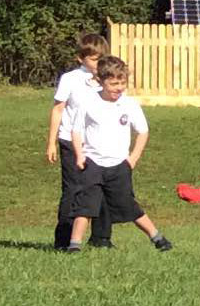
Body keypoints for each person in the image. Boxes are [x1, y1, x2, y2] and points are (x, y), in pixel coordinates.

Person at [66, 56, 171, 253]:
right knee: (85, 206)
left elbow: (143, 132)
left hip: (119, 166)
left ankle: (157, 238)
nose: (119, 88)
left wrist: (133, 159)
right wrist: (80, 155)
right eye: (114, 83)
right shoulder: (88, 102)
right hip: (92, 164)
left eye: (122, 83)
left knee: (128, 205)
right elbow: (76, 130)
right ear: (101, 81)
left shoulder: (129, 104)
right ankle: (74, 245)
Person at [46, 32, 115, 250]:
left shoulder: (107, 81)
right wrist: (51, 142)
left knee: (103, 189)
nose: (98, 63)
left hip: (98, 144)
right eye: (94, 59)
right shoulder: (70, 79)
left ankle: (101, 238)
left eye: (101, 58)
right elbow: (58, 110)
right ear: (81, 58)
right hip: (70, 142)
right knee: (73, 190)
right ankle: (64, 239)